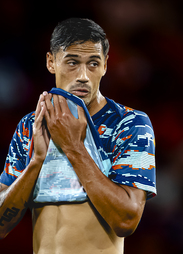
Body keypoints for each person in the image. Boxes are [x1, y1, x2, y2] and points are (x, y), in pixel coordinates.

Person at [0, 18, 156, 254]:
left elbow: (127, 220)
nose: (83, 75)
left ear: (105, 65)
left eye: (93, 63)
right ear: (51, 62)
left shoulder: (130, 124)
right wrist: (36, 162)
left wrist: (74, 147)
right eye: (72, 62)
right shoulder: (29, 127)